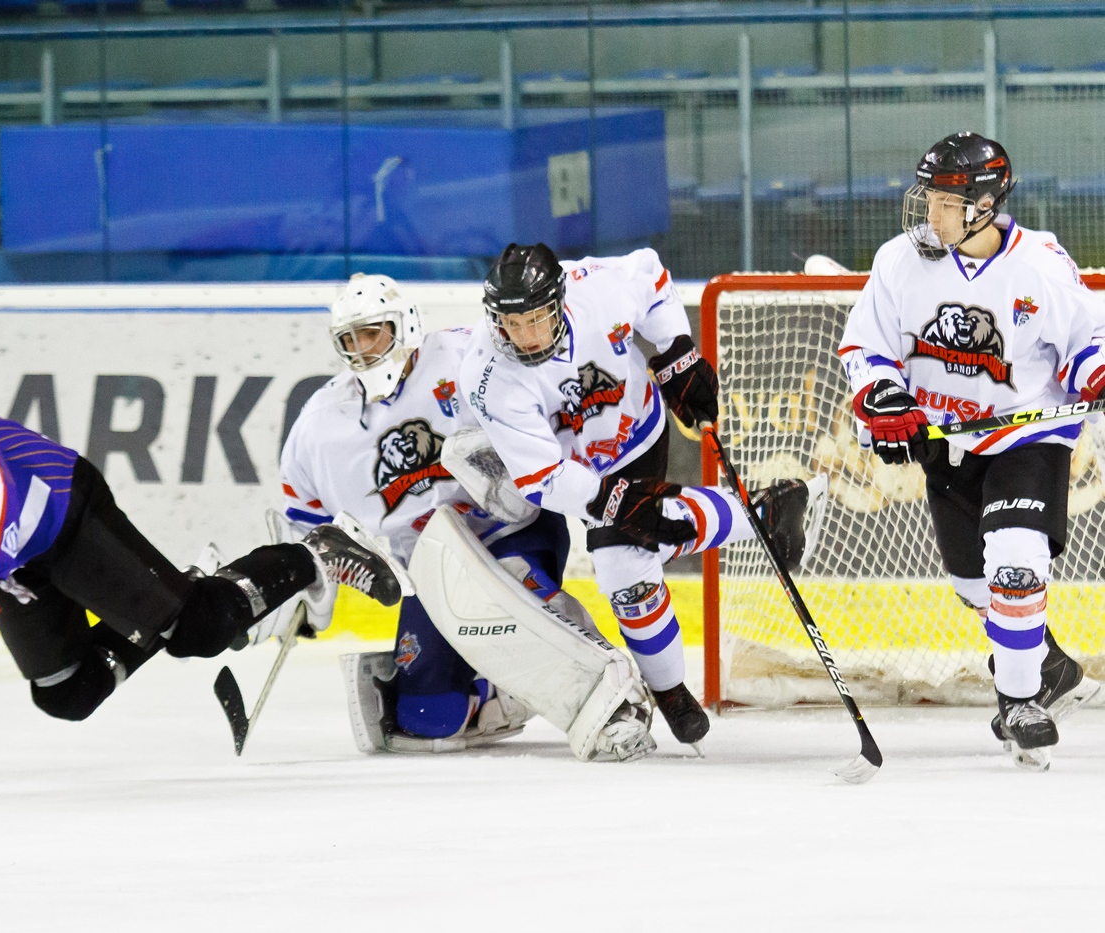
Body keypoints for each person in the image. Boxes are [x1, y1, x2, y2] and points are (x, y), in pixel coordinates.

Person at [0, 330, 407, 725]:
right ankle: (177, 590)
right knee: (68, 693)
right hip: (3, 563)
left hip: (55, 510)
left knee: (198, 631)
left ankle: (314, 551)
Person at [270, 273, 652, 756]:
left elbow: (553, 394)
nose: (363, 348)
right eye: (351, 338)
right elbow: (306, 520)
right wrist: (303, 581)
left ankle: (617, 696)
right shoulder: (320, 424)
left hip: (512, 534)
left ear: (404, 325)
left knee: (526, 601)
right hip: (432, 574)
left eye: (373, 332)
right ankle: (506, 690)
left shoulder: (471, 356)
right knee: (427, 720)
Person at [457, 243, 814, 749]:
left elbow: (650, 272)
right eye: (513, 323)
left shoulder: (596, 289)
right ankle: (763, 512)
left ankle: (667, 690)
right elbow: (545, 479)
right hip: (574, 472)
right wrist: (622, 503)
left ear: (559, 301)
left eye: (537, 318)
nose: (526, 335)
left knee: (623, 564)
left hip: (635, 434)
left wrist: (676, 354)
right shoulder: (489, 376)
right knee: (632, 550)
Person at [839, 131, 1105, 769]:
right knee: (974, 584)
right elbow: (867, 348)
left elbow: (1087, 339)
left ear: (985, 203)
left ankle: (1021, 698)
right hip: (946, 446)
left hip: (1025, 436)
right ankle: (1044, 661)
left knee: (1016, 557)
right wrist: (884, 399)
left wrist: (1098, 368)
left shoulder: (1039, 263)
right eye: (928, 198)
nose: (930, 214)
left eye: (945, 202)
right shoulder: (899, 261)